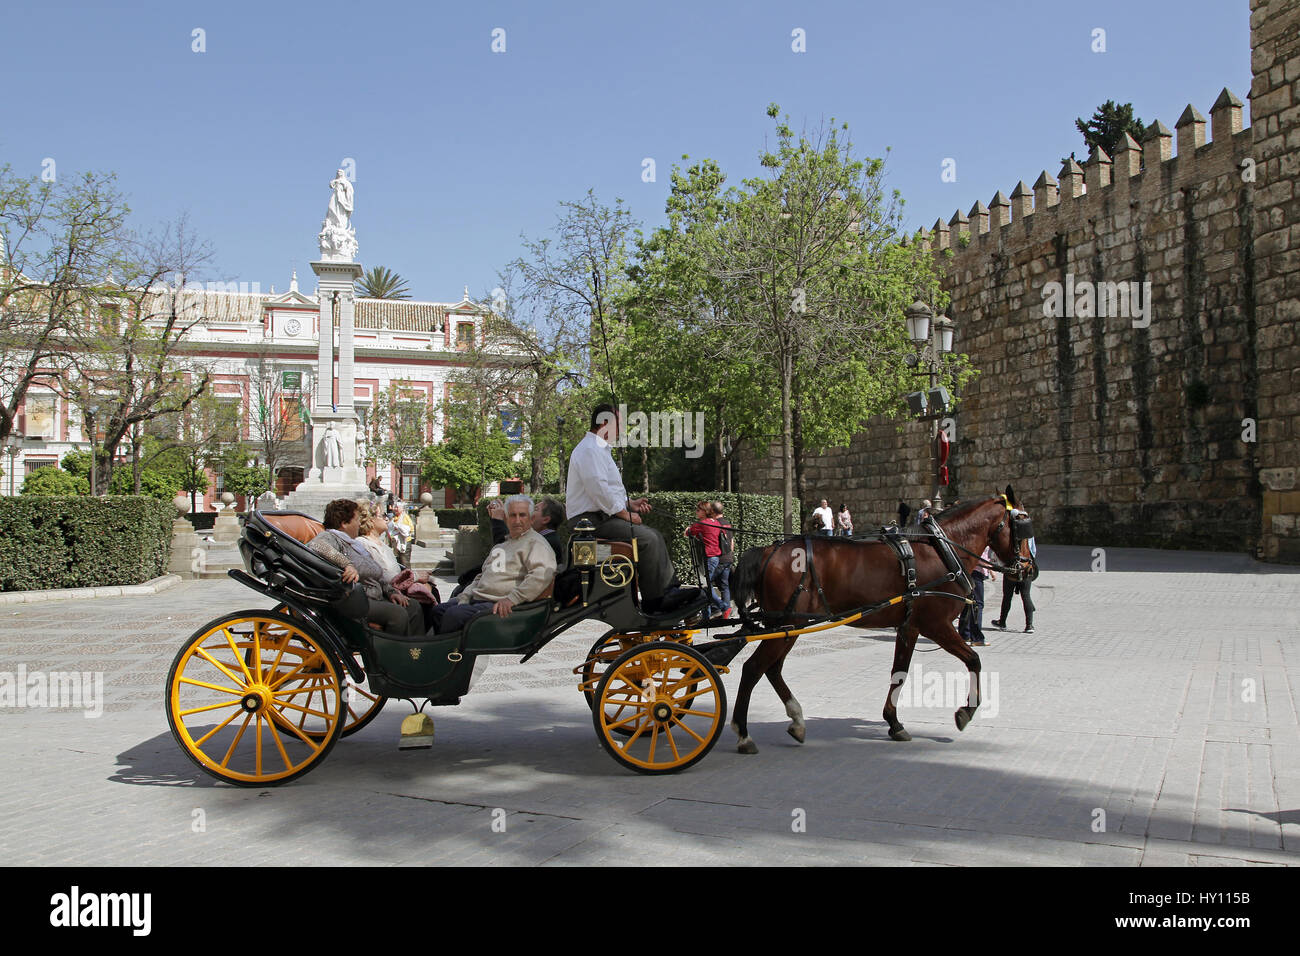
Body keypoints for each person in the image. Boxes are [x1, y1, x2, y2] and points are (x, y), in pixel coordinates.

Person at [565, 403, 694, 614]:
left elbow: (606, 490)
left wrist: (629, 503)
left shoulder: (598, 449)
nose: (622, 429)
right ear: (605, 423)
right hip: (589, 523)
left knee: (652, 535)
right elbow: (598, 489)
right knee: (648, 539)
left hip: (598, 517)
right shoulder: (590, 449)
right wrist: (625, 514)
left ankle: (668, 590)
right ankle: (656, 600)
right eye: (620, 424)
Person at [428, 495, 556, 634]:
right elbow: (482, 577)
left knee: (453, 615)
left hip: (501, 604)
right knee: (438, 610)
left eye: (522, 515)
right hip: (480, 599)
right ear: (506, 518)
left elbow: (541, 575)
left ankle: (452, 653)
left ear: (531, 519)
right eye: (513, 515)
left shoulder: (536, 543)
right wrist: (465, 597)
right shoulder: (502, 546)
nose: (517, 520)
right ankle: (446, 651)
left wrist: (512, 599)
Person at [307, 498, 422, 636]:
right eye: (356, 520)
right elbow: (317, 545)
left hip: (374, 595)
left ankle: (415, 651)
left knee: (413, 606)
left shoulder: (353, 544)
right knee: (398, 614)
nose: (358, 524)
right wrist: (346, 564)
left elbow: (376, 575)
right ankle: (390, 654)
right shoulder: (331, 536)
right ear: (344, 523)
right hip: (355, 600)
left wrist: (392, 592)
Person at [991, 511, 1037, 633]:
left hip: (1012, 566)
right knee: (1026, 595)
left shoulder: (1009, 532)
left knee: (1007, 597)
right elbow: (1033, 550)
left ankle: (1002, 622)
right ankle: (1029, 625)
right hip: (1026, 567)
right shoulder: (1029, 532)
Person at [486, 495, 564, 564]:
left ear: (545, 519)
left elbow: (504, 557)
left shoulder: (545, 542)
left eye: (535, 509)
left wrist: (498, 520)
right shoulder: (543, 538)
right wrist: (499, 520)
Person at [684, 501, 726, 619]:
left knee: (705, 586)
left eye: (698, 510)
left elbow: (688, 533)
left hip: (709, 557)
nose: (696, 512)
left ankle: (722, 606)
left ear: (705, 511)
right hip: (716, 558)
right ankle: (706, 615)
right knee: (706, 586)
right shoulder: (715, 522)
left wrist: (688, 529)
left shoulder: (701, 523)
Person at [959, 546, 997, 646]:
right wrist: (989, 567)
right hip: (975, 572)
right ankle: (976, 638)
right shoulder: (978, 536)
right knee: (977, 605)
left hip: (972, 571)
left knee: (968, 604)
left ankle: (964, 634)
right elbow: (974, 557)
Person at [711, 500, 734, 619]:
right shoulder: (728, 524)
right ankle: (726, 612)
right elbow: (732, 543)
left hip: (719, 559)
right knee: (724, 586)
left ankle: (718, 608)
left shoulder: (714, 524)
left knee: (707, 584)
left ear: (713, 511)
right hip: (728, 558)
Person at [389, 499, 415, 568]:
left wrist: (398, 527)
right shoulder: (395, 517)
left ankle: (408, 577)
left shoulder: (405, 517)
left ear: (402, 508)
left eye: (397, 507)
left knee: (404, 563)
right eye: (395, 507)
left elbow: (409, 529)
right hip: (397, 543)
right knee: (399, 563)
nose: (395, 509)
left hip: (404, 542)